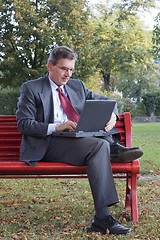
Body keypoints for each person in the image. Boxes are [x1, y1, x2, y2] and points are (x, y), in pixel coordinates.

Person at [16, 46, 143, 235]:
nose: (68, 74)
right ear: (50, 66)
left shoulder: (77, 86)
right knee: (100, 146)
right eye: (64, 69)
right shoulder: (31, 88)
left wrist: (113, 116)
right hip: (49, 143)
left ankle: (112, 153)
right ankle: (113, 155)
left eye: (71, 70)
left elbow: (108, 102)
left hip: (78, 141)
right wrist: (56, 127)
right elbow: (24, 124)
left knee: (97, 144)